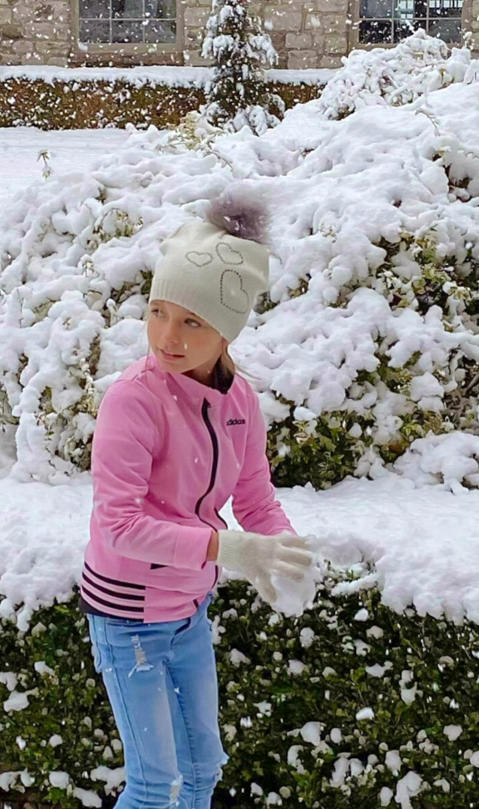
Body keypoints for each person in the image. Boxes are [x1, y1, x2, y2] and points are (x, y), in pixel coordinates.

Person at [78, 183, 313, 809]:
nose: (167, 335)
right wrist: (226, 549)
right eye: (158, 311)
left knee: (203, 771)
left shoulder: (240, 401)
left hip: (188, 610)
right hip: (127, 615)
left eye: (191, 321)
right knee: (155, 786)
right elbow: (119, 525)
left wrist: (284, 554)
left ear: (226, 332)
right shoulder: (133, 400)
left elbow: (255, 500)